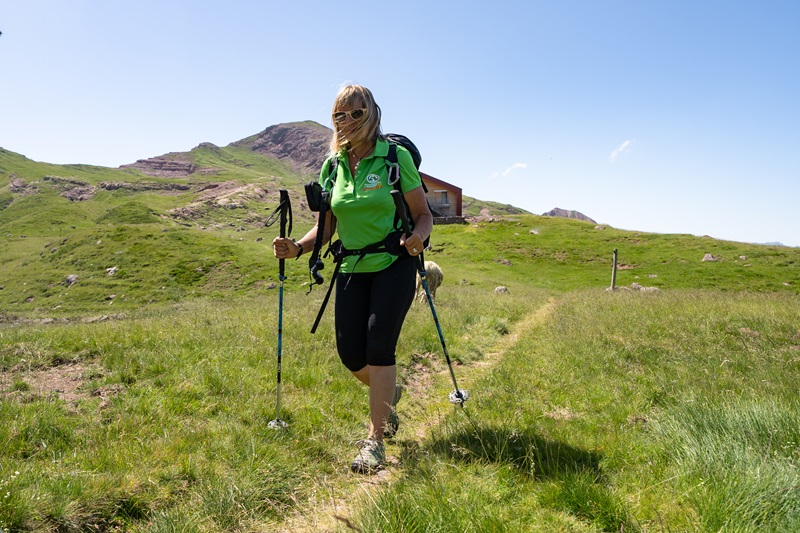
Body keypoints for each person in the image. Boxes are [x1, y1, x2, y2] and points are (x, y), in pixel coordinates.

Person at [272, 84, 432, 473]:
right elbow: (326, 228)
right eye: (339, 116)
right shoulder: (333, 166)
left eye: (355, 113)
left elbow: (423, 214)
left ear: (372, 114)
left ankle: (375, 441)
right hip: (351, 267)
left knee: (379, 346)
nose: (346, 122)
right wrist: (297, 248)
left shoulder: (394, 158)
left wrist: (417, 238)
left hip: (394, 262)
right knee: (350, 355)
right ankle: (389, 393)